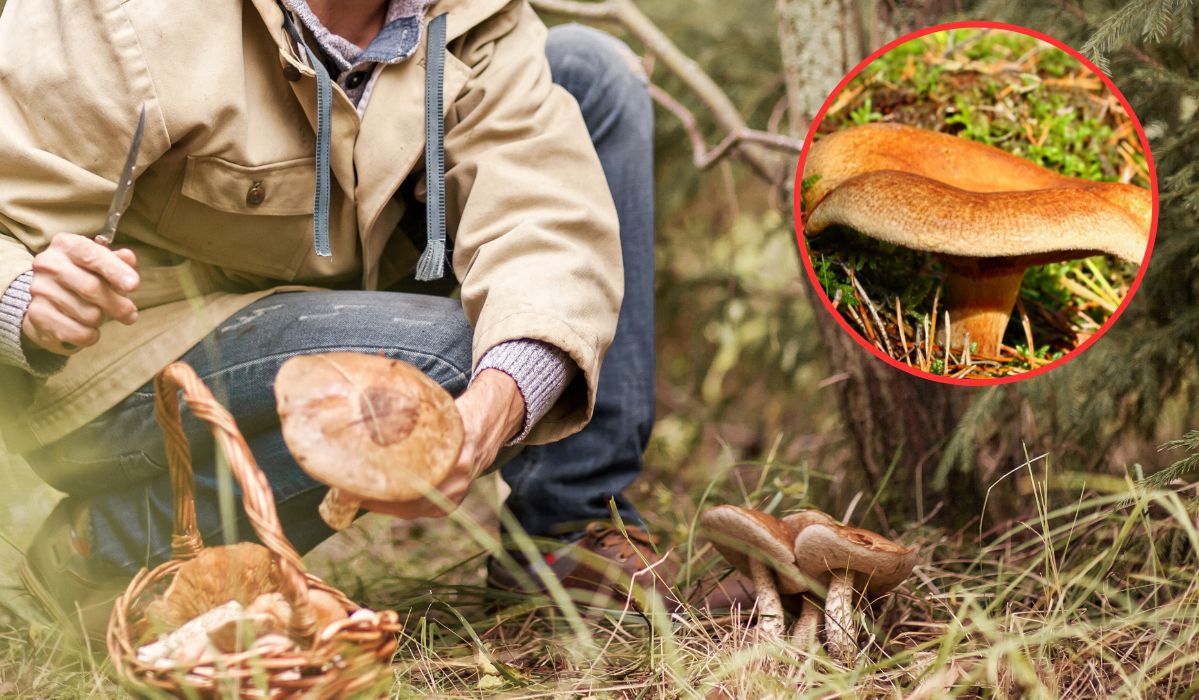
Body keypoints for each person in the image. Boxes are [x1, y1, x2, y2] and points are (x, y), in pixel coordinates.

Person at [0, 0, 748, 641]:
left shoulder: (473, 19)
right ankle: (109, 547)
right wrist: (22, 294)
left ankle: (564, 540)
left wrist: (500, 403)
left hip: (325, 302)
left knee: (585, 72)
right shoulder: (127, 15)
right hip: (122, 353)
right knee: (427, 368)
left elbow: (543, 220)